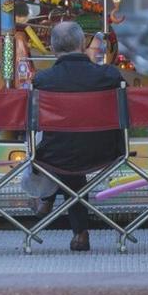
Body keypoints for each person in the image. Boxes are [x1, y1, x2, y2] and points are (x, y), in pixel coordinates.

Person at [29, 21, 126, 252]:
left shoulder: (43, 81)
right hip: (105, 151)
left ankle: (47, 197)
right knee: (74, 157)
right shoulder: (110, 76)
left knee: (60, 152)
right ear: (83, 44)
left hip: (56, 154)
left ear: (52, 48)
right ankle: (79, 232)